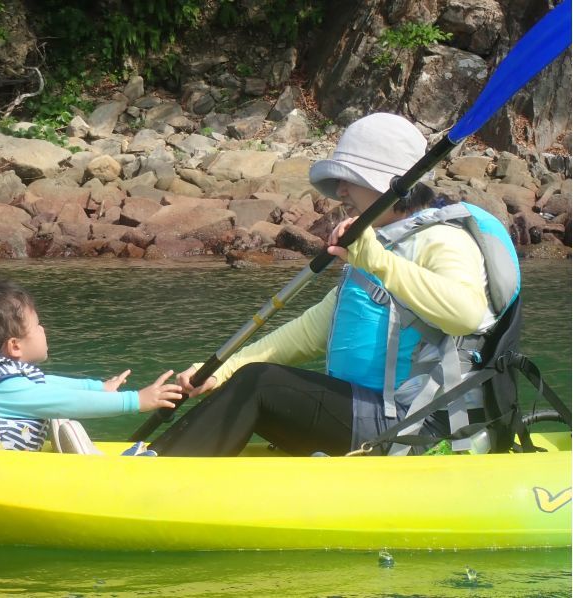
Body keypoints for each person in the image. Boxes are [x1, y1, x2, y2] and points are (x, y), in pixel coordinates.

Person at [148, 112, 520, 457]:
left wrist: (377, 260)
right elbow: (310, 331)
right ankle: (160, 459)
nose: (341, 190)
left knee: (260, 384)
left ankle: (154, 474)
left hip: (420, 427)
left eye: (351, 179)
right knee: (251, 378)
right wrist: (224, 370)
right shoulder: (384, 244)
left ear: (392, 184)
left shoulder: (441, 240)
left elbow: (467, 315)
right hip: (378, 414)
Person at [0, 280, 181, 451]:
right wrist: (136, 401)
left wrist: (98, 388)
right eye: (37, 325)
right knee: (62, 416)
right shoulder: (7, 389)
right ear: (15, 346)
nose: (44, 329)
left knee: (57, 416)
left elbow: (49, 384)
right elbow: (64, 401)